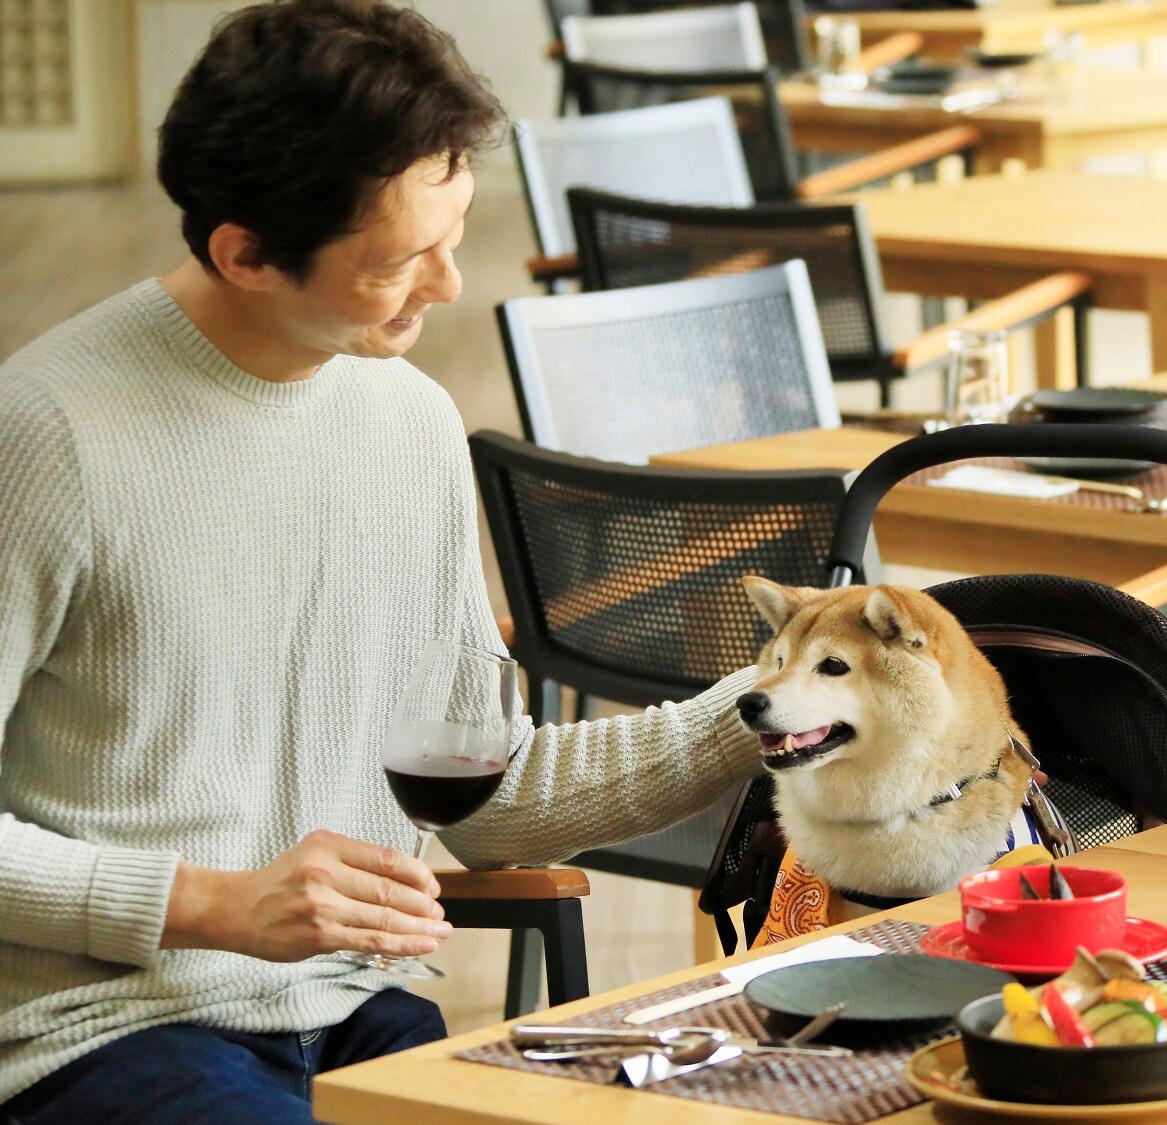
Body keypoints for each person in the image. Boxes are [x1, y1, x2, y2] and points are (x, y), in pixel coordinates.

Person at [0, 2, 761, 1120]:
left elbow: (479, 796)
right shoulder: (47, 435)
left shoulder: (406, 421)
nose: (451, 286)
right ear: (245, 254)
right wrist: (208, 903)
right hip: (104, 1032)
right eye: (406, 259)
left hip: (355, 1008)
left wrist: (749, 719)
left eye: (454, 236)